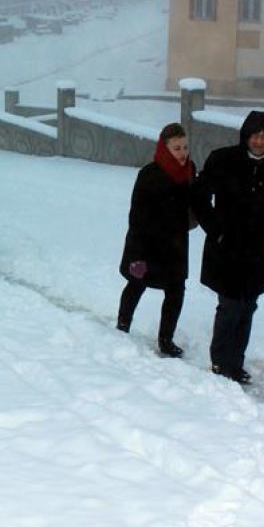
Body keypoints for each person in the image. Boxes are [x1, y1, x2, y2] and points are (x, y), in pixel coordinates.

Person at [191, 110, 264, 385]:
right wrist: (216, 229)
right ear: (246, 136)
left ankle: (236, 362)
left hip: (257, 248)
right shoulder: (223, 159)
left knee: (248, 305)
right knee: (229, 305)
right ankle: (221, 362)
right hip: (225, 245)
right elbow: (199, 197)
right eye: (255, 135)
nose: (259, 141)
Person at [116, 123, 195, 359]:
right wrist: (137, 254)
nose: (182, 153)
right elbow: (137, 216)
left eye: (185, 147)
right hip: (147, 243)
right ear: (164, 148)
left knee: (176, 290)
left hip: (176, 244)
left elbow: (194, 203)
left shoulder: (190, 170)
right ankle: (122, 327)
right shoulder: (149, 174)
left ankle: (166, 340)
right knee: (136, 283)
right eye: (176, 148)